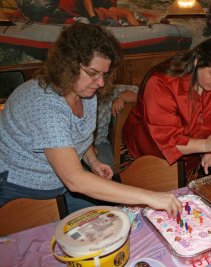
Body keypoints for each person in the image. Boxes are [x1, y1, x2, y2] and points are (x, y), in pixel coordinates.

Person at [0, 22, 181, 216]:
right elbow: (75, 180)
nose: (101, 82)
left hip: (60, 186)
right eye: (93, 73)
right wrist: (151, 197)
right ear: (66, 65)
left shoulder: (85, 92)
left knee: (108, 220)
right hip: (20, 193)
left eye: (104, 74)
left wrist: (93, 161)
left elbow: (78, 134)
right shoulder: (44, 105)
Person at [122, 37, 211, 183]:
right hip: (147, 157)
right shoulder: (161, 83)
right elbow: (168, 139)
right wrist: (206, 145)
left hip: (190, 160)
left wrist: (209, 152)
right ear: (197, 62)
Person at [95, 84, 138, 167]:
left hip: (98, 142)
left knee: (105, 166)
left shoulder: (106, 90)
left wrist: (121, 97)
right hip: (74, 145)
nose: (99, 81)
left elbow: (138, 93)